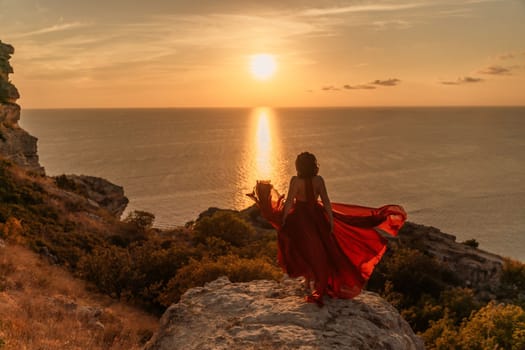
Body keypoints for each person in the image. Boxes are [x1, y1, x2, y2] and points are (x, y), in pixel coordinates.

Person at [248, 151, 406, 307]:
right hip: (317, 217)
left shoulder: (295, 181)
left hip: (299, 219)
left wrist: (283, 219)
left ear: (299, 167)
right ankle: (314, 281)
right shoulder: (318, 180)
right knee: (321, 250)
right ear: (314, 165)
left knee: (303, 248)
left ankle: (309, 280)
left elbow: (289, 201)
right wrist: (330, 219)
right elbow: (326, 201)